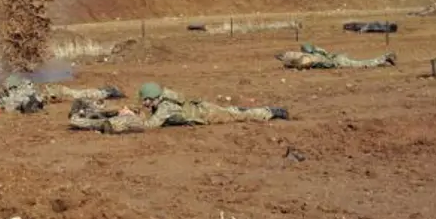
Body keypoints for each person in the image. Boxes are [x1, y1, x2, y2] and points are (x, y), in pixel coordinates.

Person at [69, 82, 288, 134]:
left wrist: (128, 119)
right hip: (200, 109)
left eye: (146, 101)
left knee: (240, 115)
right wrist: (123, 111)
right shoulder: (158, 100)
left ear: (153, 98)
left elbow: (151, 126)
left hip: (207, 114)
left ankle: (271, 112)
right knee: (236, 111)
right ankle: (267, 111)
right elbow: (143, 111)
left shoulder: (165, 106)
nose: (144, 104)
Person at [276, 43, 396, 70]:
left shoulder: (310, 56)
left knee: (362, 64)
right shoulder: (318, 52)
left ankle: (384, 58)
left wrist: (297, 68)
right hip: (337, 58)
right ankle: (383, 58)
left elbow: (304, 63)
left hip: (337, 61)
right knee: (361, 63)